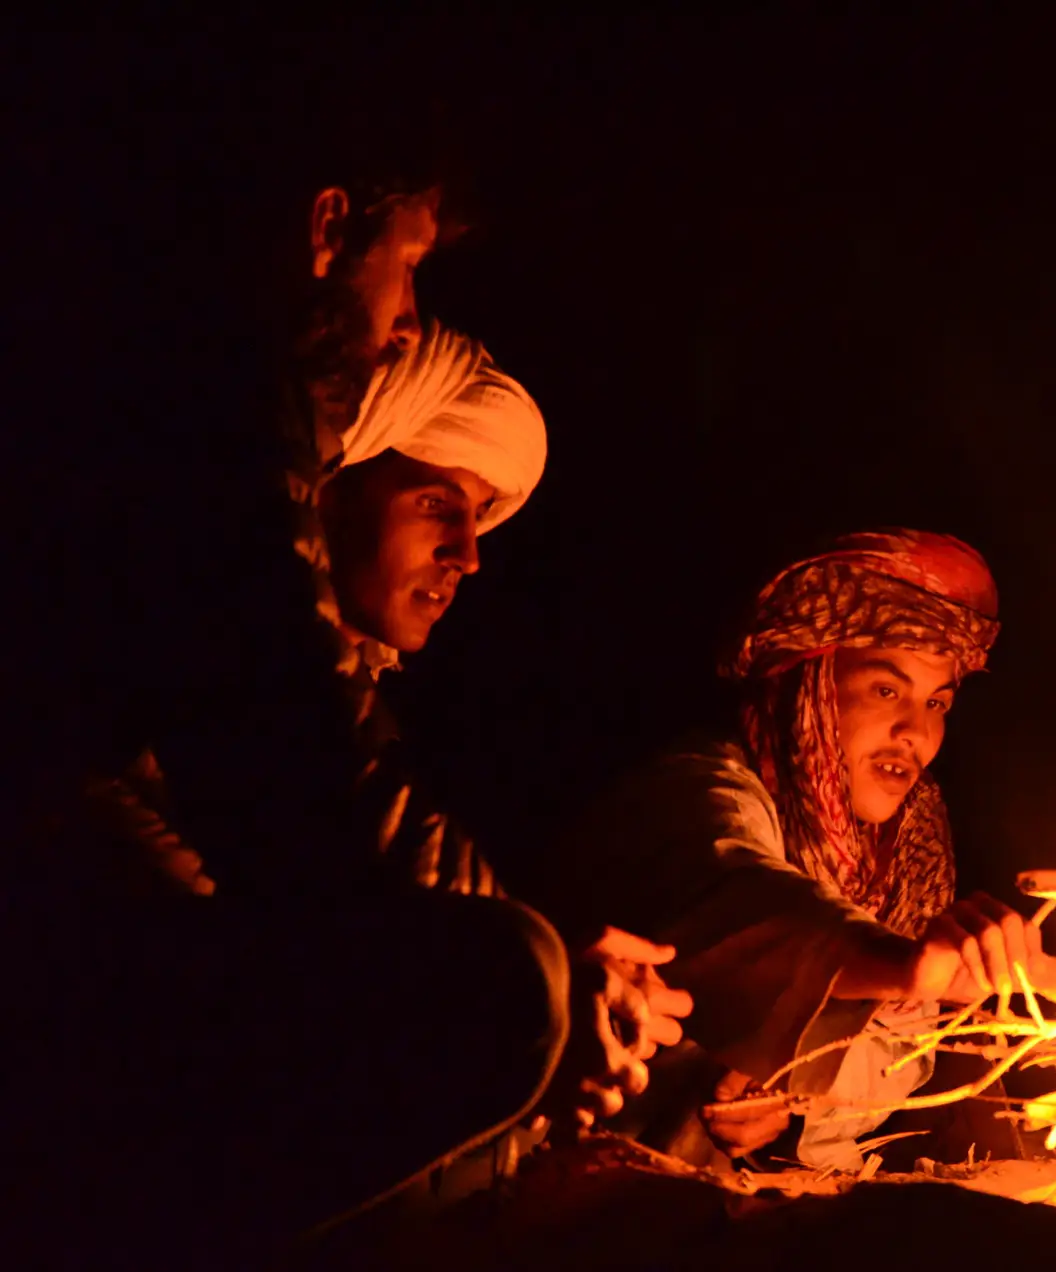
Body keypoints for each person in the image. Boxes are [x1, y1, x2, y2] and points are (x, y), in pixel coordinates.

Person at [3, 167, 688, 1263]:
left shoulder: (210, 417)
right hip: (52, 1041)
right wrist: (547, 965)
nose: (408, 317)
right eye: (408, 263)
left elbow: (332, 796)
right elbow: (304, 807)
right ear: (327, 228)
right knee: (509, 987)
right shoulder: (198, 415)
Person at [548, 530, 1056, 1171]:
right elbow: (744, 899)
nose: (916, 731)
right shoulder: (694, 790)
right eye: (888, 690)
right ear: (813, 684)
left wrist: (793, 1102)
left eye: (937, 702)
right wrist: (901, 964)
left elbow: (896, 1056)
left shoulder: (908, 849)